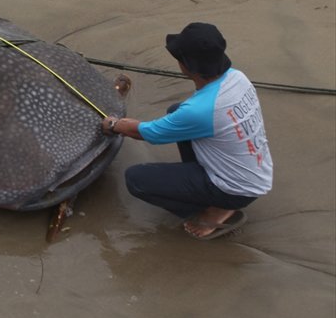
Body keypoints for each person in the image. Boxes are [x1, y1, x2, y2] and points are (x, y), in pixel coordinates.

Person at [102, 22, 273, 240]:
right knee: (175, 111)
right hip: (255, 173)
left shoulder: (201, 110)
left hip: (235, 187)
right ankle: (207, 190)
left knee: (135, 179)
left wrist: (115, 125)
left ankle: (211, 212)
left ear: (188, 66)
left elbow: (147, 133)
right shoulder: (238, 78)